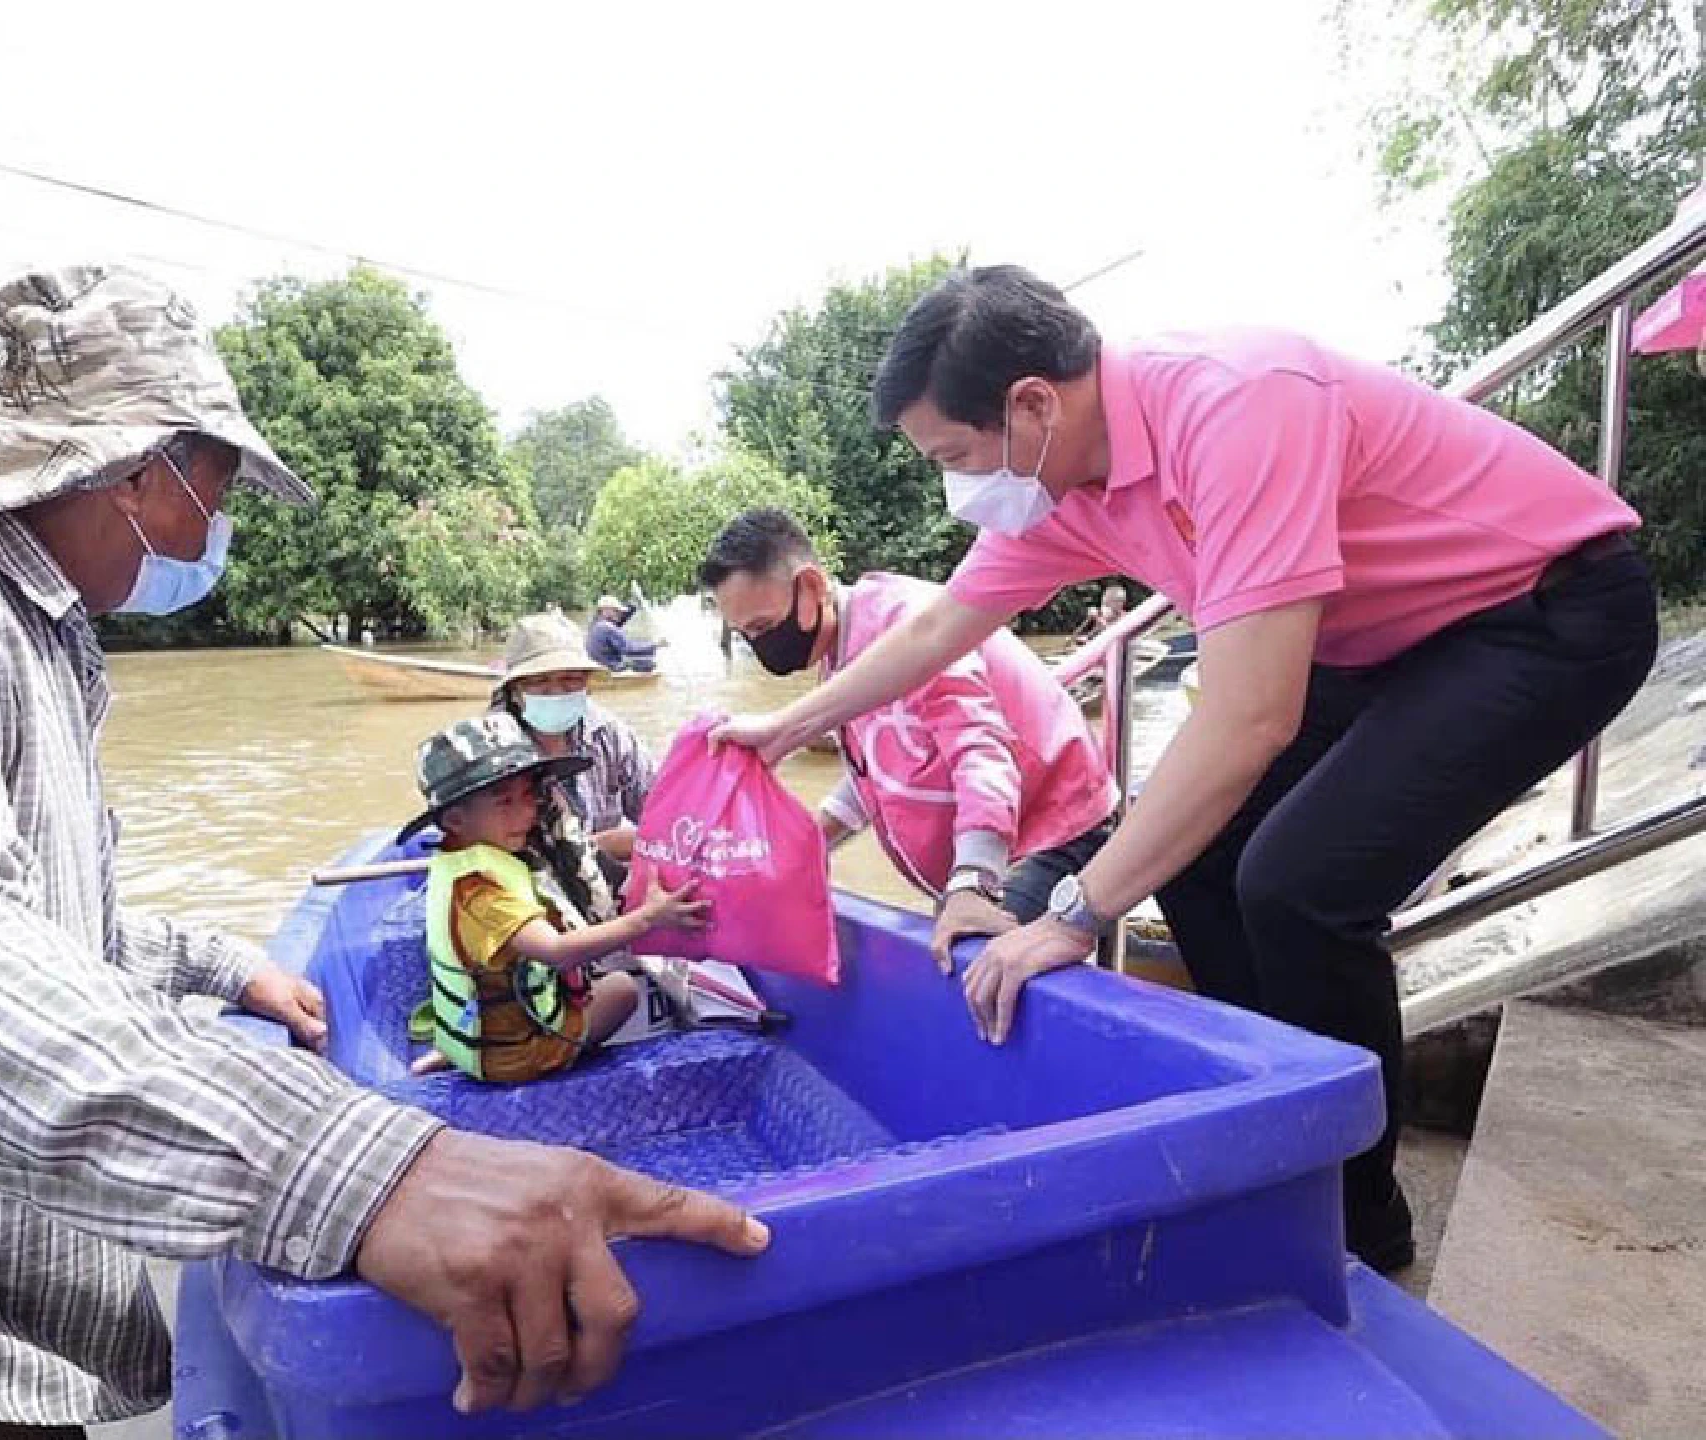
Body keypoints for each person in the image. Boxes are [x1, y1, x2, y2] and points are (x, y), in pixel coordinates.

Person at [0, 266, 767, 1440]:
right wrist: (364, 1172)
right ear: (132, 469)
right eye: (216, 482)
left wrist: (223, 966)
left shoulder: (31, 636)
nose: (218, 523)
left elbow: (45, 915)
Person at [712, 265, 1656, 1275]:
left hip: (1538, 612)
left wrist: (1071, 914)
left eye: (953, 454)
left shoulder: (1236, 405)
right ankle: (1285, 1118)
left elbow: (1250, 716)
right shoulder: (1059, 486)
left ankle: (1355, 1217)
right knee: (1200, 867)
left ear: (1032, 404)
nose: (955, 487)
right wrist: (784, 729)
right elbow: (945, 624)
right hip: (1376, 641)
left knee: (1299, 885)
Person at [698, 508, 1118, 972]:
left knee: (977, 965)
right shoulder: (833, 650)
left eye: (761, 627)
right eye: (745, 637)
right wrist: (802, 849)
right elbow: (872, 772)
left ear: (812, 587)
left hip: (1053, 829)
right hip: (997, 841)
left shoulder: (904, 624)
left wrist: (972, 884)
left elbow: (981, 751)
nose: (762, 647)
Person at [404, 715, 706, 1081]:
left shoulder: (462, 861)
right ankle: (538, 1054)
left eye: (529, 798)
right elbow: (557, 951)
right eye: (505, 803)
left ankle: (458, 1050)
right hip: (519, 1056)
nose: (526, 814)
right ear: (454, 819)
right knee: (622, 990)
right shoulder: (482, 892)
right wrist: (648, 919)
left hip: (482, 1035)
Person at [492, 611, 656, 896]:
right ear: (515, 689)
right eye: (539, 680)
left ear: (587, 682)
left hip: (605, 884)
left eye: (570, 678)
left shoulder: (609, 734)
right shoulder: (492, 748)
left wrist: (618, 845)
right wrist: (592, 846)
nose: (556, 691)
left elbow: (663, 815)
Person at [585, 592, 661, 672]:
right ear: (606, 610)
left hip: (599, 667)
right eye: (617, 611)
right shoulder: (608, 627)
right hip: (611, 669)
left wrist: (633, 606)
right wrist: (656, 645)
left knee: (639, 658)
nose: (620, 614)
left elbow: (621, 620)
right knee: (650, 664)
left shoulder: (594, 626)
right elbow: (629, 649)